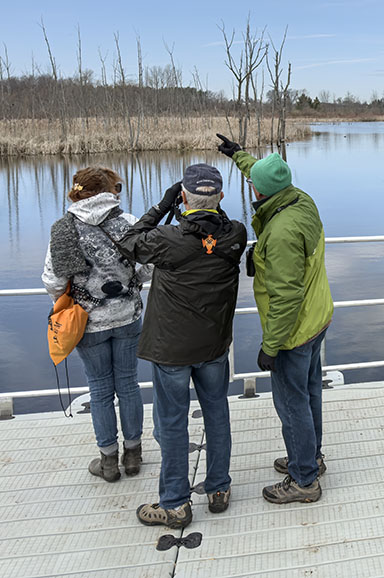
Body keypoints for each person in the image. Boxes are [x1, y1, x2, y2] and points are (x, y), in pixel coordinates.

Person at [116, 164, 247, 529]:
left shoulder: (166, 239)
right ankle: (218, 488)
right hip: (214, 347)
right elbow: (209, 235)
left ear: (183, 197)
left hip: (171, 350)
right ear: (221, 197)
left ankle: (175, 504)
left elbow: (128, 243)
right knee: (217, 413)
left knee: (171, 423)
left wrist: (162, 206)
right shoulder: (236, 233)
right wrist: (198, 211)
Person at [217, 134, 334, 505]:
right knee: (310, 392)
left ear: (261, 194)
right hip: (316, 319)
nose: (250, 185)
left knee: (291, 402)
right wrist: (239, 155)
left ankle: (303, 480)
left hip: (293, 331)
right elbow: (264, 174)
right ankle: (310, 458)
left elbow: (286, 296)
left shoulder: (282, 232)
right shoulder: (300, 199)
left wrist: (270, 347)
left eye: (252, 185)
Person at [42, 167, 152, 483]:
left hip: (87, 324)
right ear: (108, 190)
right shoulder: (128, 223)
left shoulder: (63, 229)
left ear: (77, 192)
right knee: (128, 384)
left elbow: (53, 280)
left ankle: (108, 463)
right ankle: (133, 455)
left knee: (100, 388)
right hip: (128, 317)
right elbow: (147, 270)